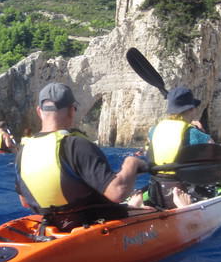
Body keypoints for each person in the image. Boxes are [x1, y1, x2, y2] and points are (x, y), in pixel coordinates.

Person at [16, 82, 148, 231]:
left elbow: (25, 202)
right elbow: (117, 193)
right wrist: (131, 163)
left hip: (50, 227)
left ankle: (134, 204)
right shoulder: (77, 145)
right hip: (92, 224)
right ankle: (135, 205)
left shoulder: (23, 151)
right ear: (72, 111)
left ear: (39, 111)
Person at [146, 86, 221, 207]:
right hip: (186, 196)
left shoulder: (154, 130)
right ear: (191, 109)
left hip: (158, 193)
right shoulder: (195, 135)